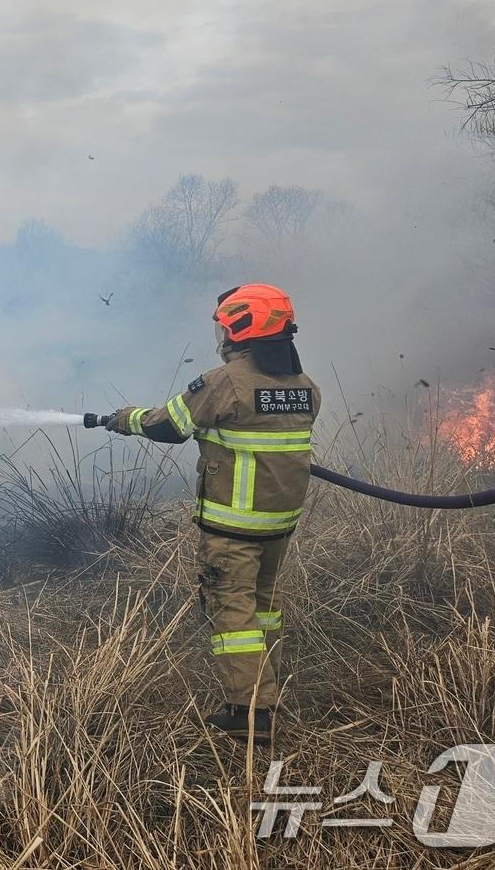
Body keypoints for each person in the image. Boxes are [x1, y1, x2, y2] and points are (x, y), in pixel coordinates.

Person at [105, 283, 320, 742]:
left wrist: (124, 419)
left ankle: (249, 712)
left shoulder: (227, 383)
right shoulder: (304, 388)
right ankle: (266, 692)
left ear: (240, 329)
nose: (221, 336)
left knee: (232, 611)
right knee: (264, 608)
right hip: (278, 526)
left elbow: (170, 425)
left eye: (225, 327)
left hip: (233, 530)